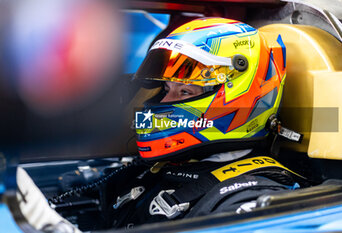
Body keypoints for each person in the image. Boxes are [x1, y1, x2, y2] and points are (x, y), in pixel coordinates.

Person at [103, 17, 308, 229]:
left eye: (184, 91)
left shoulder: (246, 202)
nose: (164, 102)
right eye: (166, 89)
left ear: (237, 95)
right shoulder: (155, 169)